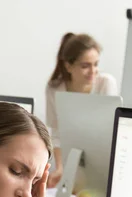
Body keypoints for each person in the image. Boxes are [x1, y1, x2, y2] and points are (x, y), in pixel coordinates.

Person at [46, 33, 118, 187]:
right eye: (85, 66)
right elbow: (57, 134)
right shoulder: (54, 89)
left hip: (102, 160)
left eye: (96, 64)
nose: (93, 71)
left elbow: (108, 135)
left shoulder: (105, 84)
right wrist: (61, 168)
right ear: (68, 66)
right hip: (71, 161)